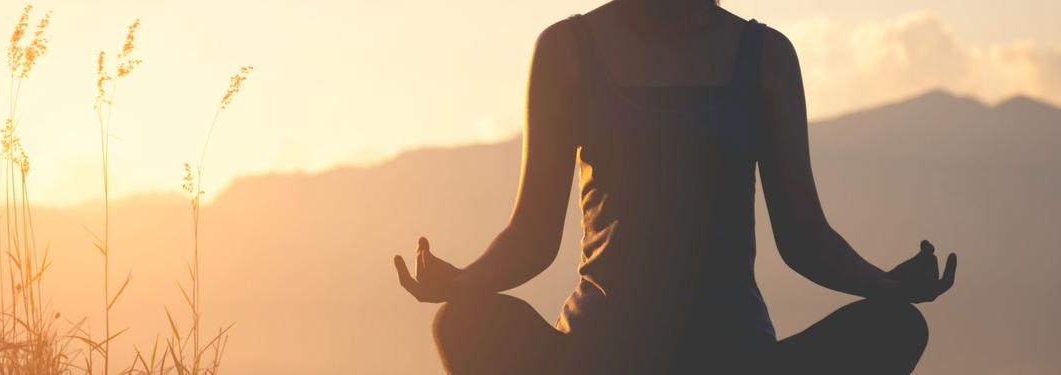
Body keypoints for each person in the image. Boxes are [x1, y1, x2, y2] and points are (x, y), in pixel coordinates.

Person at [393, 0, 958, 373]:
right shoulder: (566, 50)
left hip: (736, 358)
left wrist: (886, 285)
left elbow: (805, 238)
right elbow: (532, 236)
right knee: (464, 322)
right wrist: (460, 282)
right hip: (594, 357)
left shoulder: (766, 56)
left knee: (895, 326)